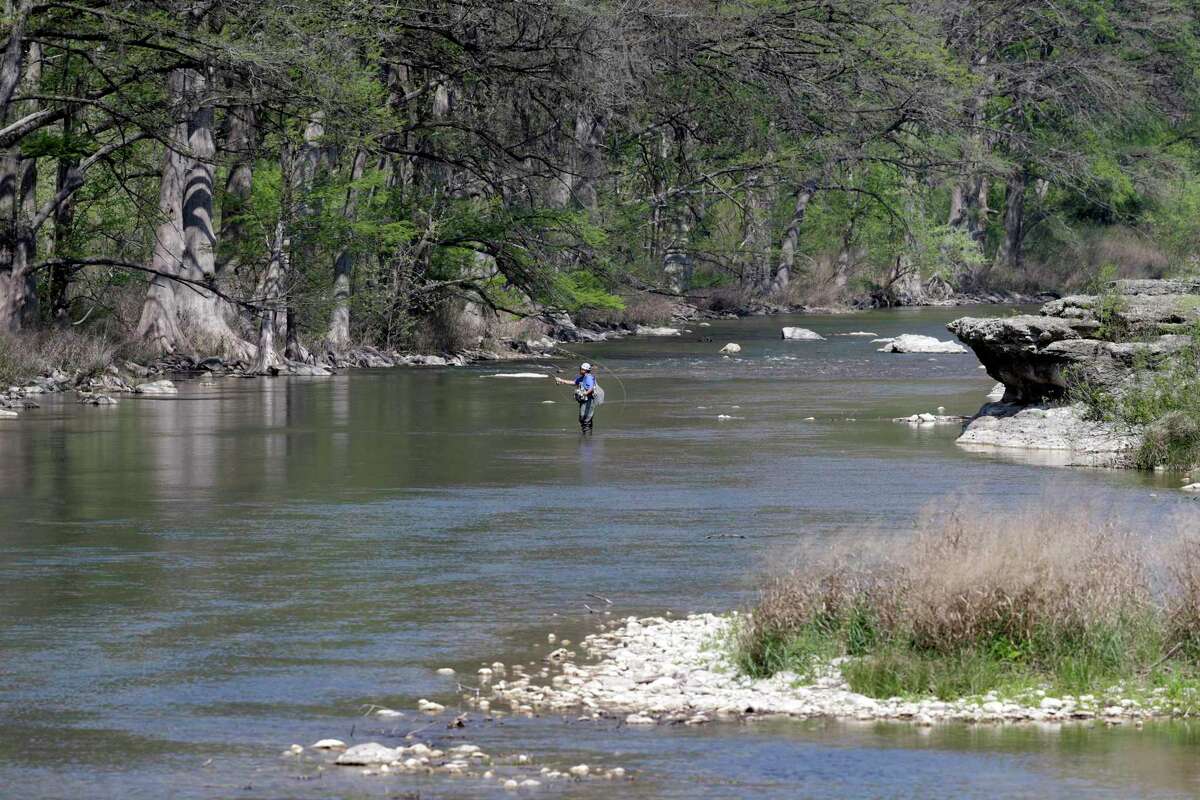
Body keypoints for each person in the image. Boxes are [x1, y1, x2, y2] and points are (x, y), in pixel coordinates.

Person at [555, 362, 597, 433]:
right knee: (584, 418)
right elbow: (574, 382)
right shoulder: (582, 378)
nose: (580, 370)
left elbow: (591, 388)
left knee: (584, 418)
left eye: (581, 369)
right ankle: (588, 436)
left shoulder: (589, 377)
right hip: (584, 401)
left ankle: (586, 437)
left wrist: (585, 394)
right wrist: (561, 380)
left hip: (588, 401)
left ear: (585, 370)